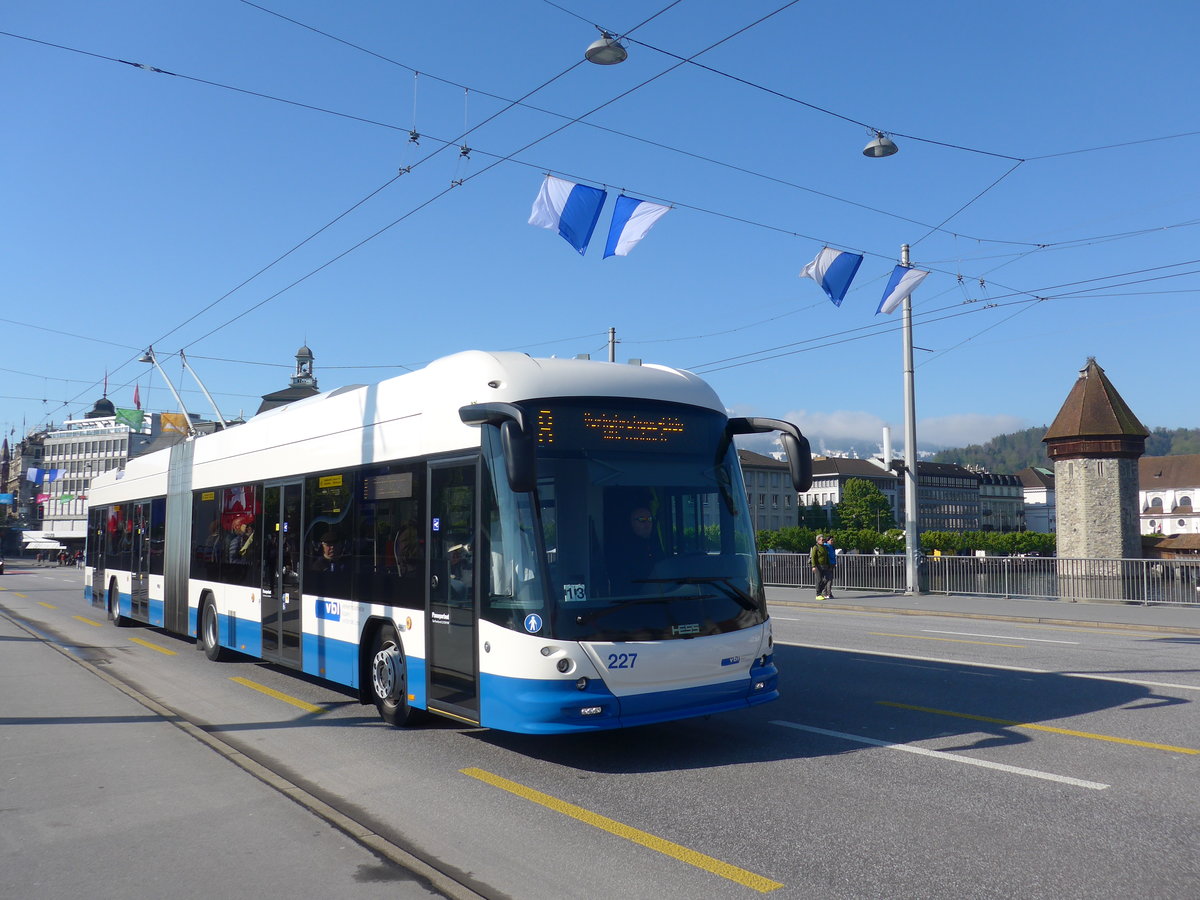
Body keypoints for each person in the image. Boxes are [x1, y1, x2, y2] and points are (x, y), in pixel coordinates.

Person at [811, 534, 831, 600]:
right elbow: (813, 557)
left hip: (825, 565)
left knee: (827, 578)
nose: (823, 541)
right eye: (822, 540)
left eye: (824, 540)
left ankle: (820, 591)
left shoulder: (824, 547)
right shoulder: (815, 547)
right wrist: (813, 566)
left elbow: (827, 556)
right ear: (818, 540)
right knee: (819, 580)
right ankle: (818, 594)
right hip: (818, 566)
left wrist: (829, 564)